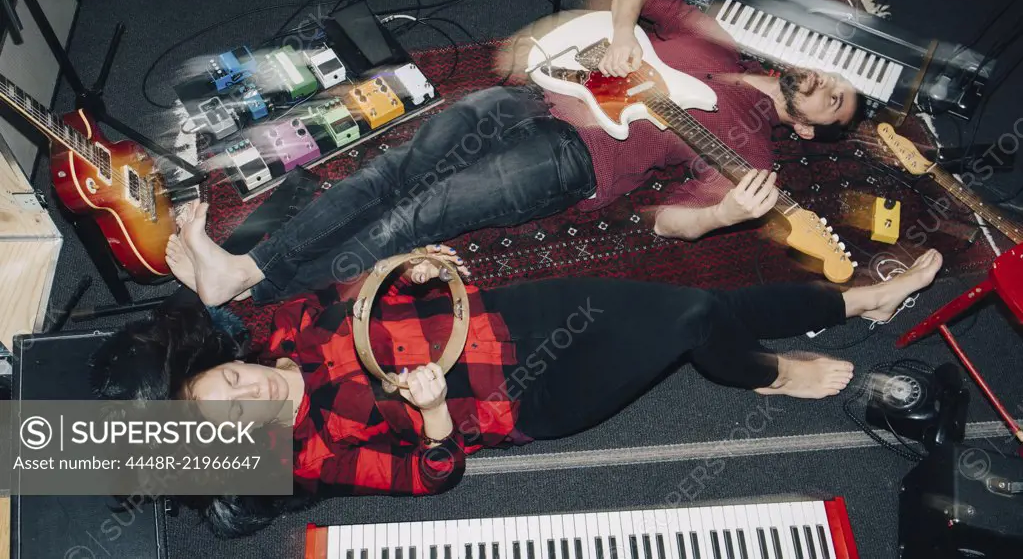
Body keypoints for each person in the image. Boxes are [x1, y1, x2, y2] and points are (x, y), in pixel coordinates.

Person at [95, 205, 944, 537]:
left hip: (511, 318)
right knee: (690, 320)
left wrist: (412, 272)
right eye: (241, 416)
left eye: (230, 382)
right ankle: (765, 377)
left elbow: (350, 293)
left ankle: (855, 305)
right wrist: (430, 414)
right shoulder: (312, 453)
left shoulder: (269, 333)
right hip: (527, 396)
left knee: (694, 302)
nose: (254, 392)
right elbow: (430, 479)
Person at [171, 0, 863, 306]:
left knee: (420, 213)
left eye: (835, 104)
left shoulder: (752, 156)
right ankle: (245, 274)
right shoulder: (713, 38)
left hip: (576, 158)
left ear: (806, 128)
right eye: (836, 79)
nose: (829, 86)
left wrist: (722, 215)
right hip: (540, 92)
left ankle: (254, 284)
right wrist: (623, 37)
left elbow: (668, 224)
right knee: (393, 169)